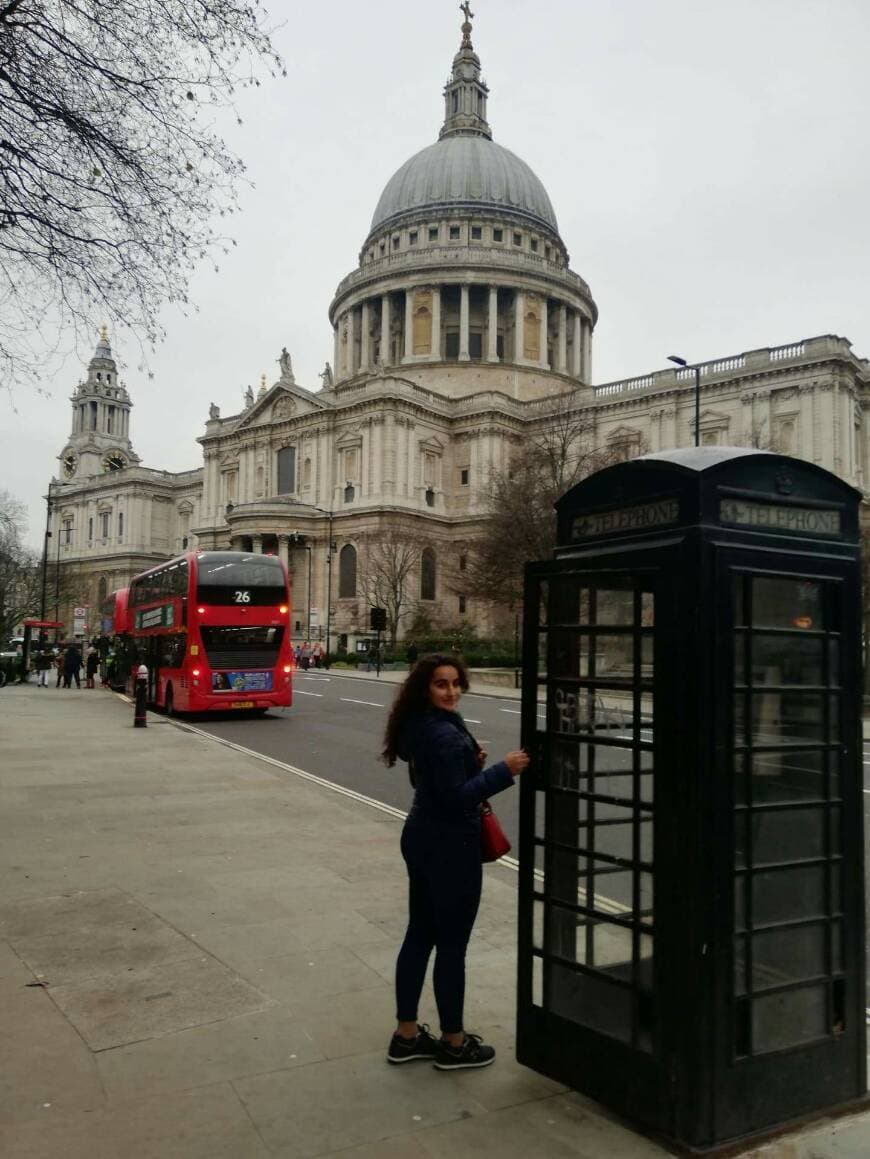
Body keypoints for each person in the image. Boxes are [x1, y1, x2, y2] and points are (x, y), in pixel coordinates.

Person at [382, 653, 529, 1070]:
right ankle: (453, 1042)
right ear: (425, 688)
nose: (451, 691)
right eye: (441, 684)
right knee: (451, 945)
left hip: (421, 836)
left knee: (419, 935)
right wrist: (505, 770)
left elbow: (426, 779)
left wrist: (471, 763)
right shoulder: (444, 734)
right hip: (449, 845)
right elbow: (455, 798)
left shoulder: (421, 725)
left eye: (455, 683)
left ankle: (406, 1036)